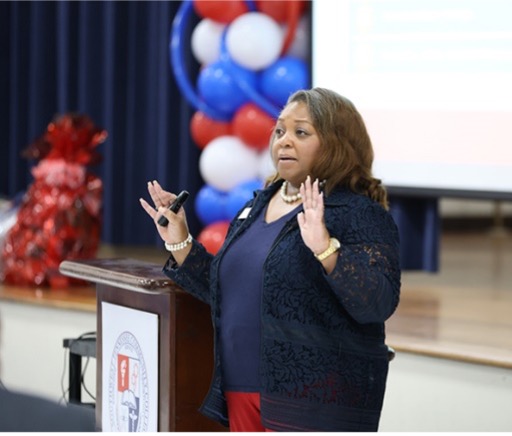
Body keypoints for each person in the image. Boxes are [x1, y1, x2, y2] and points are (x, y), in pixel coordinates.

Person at [139, 87, 401, 432]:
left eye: (301, 132)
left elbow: (377, 302)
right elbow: (228, 290)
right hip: (240, 389)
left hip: (313, 403)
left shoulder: (357, 212)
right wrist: (180, 241)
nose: (283, 141)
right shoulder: (257, 205)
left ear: (336, 144)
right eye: (279, 131)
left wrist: (325, 248)